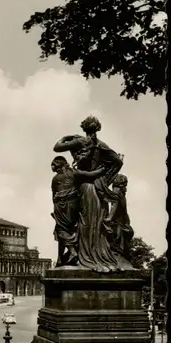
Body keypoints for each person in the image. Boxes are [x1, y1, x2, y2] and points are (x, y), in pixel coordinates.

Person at [54, 116, 133, 272]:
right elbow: (118, 162)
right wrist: (103, 178)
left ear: (84, 127)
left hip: (84, 187)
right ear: (98, 128)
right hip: (97, 188)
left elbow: (57, 147)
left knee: (85, 221)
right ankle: (98, 254)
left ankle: (86, 255)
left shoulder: (79, 141)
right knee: (96, 221)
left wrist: (67, 136)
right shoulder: (102, 145)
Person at [51, 155, 106, 266]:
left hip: (61, 205)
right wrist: (102, 168)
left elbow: (53, 195)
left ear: (59, 164)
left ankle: (72, 252)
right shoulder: (74, 173)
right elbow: (91, 174)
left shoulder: (56, 178)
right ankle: (60, 259)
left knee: (60, 229)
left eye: (54, 165)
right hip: (73, 204)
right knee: (68, 229)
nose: (53, 168)